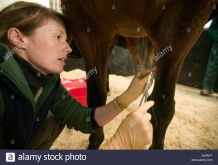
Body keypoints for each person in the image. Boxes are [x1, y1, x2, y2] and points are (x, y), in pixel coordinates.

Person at [0, 1, 154, 149]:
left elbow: (82, 119)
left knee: (54, 118)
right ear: (18, 38)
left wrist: (127, 96)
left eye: (67, 40)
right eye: (58, 37)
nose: (68, 48)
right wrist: (118, 145)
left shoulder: (48, 81)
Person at [200, 14, 218, 96]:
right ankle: (207, 88)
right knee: (213, 65)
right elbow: (211, 28)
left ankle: (207, 88)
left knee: (213, 64)